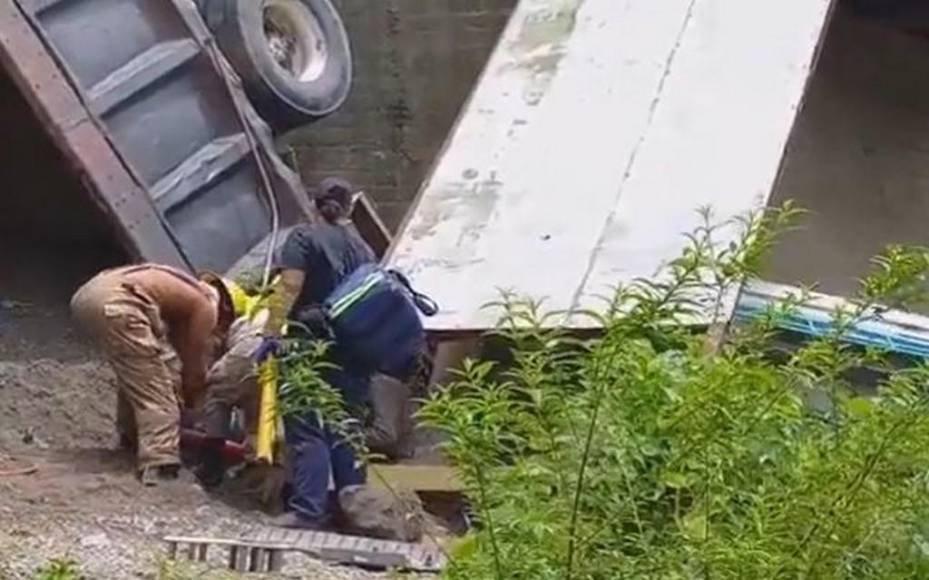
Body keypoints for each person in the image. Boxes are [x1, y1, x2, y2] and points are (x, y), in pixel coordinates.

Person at [265, 177, 377, 529]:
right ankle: (355, 512)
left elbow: (290, 285)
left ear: (314, 203)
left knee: (307, 427)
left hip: (308, 346)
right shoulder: (364, 249)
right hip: (355, 349)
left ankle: (308, 511)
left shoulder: (303, 237)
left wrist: (270, 332)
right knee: (347, 427)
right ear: (348, 209)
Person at [71, 264, 233, 485]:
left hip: (90, 295)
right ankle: (161, 463)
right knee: (157, 388)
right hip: (119, 303)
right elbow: (193, 368)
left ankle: (131, 439)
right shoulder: (205, 307)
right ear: (226, 308)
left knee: (138, 374)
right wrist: (194, 401)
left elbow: (173, 355)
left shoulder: (182, 291)